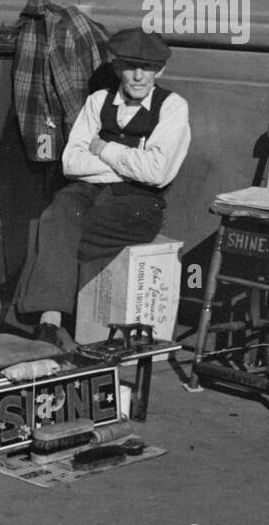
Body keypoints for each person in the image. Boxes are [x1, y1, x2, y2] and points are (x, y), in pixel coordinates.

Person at [10, 26, 190, 344]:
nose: (138, 76)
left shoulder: (173, 107)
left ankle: (39, 326)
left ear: (160, 69)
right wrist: (131, 164)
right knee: (57, 214)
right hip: (88, 192)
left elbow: (158, 173)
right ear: (117, 67)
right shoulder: (98, 102)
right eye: (130, 66)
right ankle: (50, 324)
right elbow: (71, 162)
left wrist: (104, 149)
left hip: (138, 205)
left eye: (147, 68)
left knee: (52, 232)